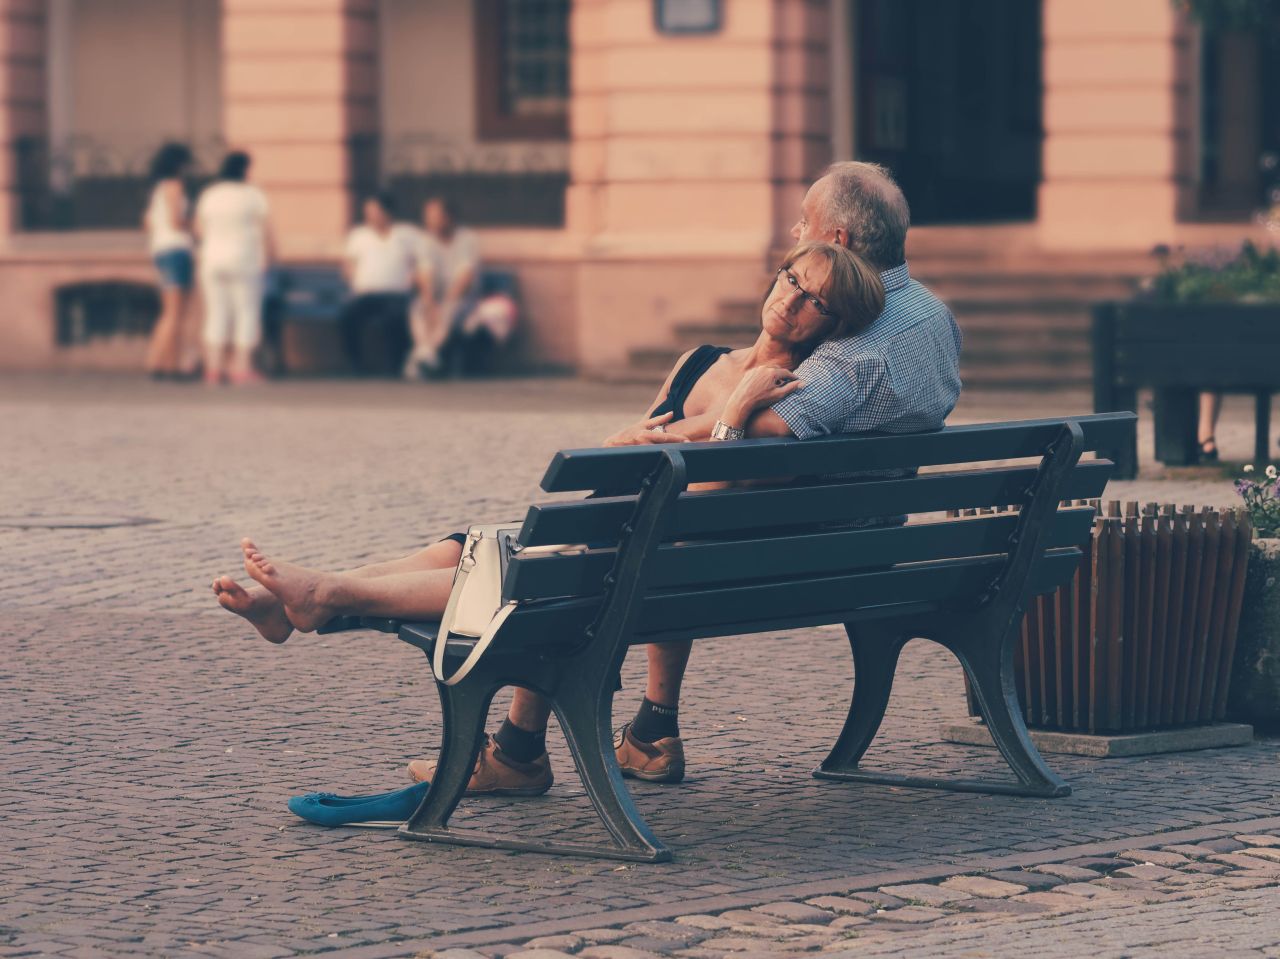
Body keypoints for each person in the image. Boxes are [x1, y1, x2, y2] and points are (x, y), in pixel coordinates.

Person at [212, 240, 886, 794]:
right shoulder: (702, 362)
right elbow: (634, 456)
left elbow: (707, 499)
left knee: (511, 575)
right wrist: (623, 443)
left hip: (653, 563)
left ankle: (329, 596)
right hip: (621, 546)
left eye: (813, 299)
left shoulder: (785, 397)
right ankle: (305, 600)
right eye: (792, 277)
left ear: (832, 324)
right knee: (463, 548)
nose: (791, 298)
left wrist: (733, 416)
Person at [584, 161, 964, 786]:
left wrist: (655, 433)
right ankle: (653, 724)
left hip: (797, 560)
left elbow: (770, 429)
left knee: (618, 545)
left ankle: (526, 746)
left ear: (836, 242)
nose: (793, 233)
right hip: (872, 546)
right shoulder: (932, 315)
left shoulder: (860, 343)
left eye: (803, 225)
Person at [195, 151, 273, 385]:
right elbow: (266, 230)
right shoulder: (253, 195)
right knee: (246, 313)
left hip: (212, 260)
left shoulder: (210, 194)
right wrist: (269, 256)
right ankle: (241, 368)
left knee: (216, 313)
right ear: (245, 169)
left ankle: (213, 368)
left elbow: (199, 229)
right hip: (244, 259)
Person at [339, 193, 426, 374]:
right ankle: (356, 365)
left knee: (394, 319)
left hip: (397, 294)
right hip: (366, 295)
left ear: (387, 213)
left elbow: (423, 261)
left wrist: (415, 278)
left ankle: (395, 366)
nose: (370, 216)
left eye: (375, 211)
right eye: (368, 212)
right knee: (347, 316)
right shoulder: (358, 235)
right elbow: (348, 265)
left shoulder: (407, 234)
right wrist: (353, 279)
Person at [405, 196, 481, 377]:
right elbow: (425, 274)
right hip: (436, 298)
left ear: (449, 218)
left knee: (449, 310)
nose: (429, 221)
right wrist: (430, 303)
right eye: (427, 216)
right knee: (418, 308)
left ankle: (423, 356)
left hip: (464, 300)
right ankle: (427, 353)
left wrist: (444, 304)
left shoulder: (467, 239)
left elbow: (465, 279)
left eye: (434, 216)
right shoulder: (426, 241)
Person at [142, 142, 197, 379]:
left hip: (160, 249)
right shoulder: (175, 186)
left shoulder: (157, 189)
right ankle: (163, 364)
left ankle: (162, 362)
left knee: (168, 312)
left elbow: (146, 222)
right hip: (177, 249)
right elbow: (177, 220)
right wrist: (194, 227)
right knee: (175, 313)